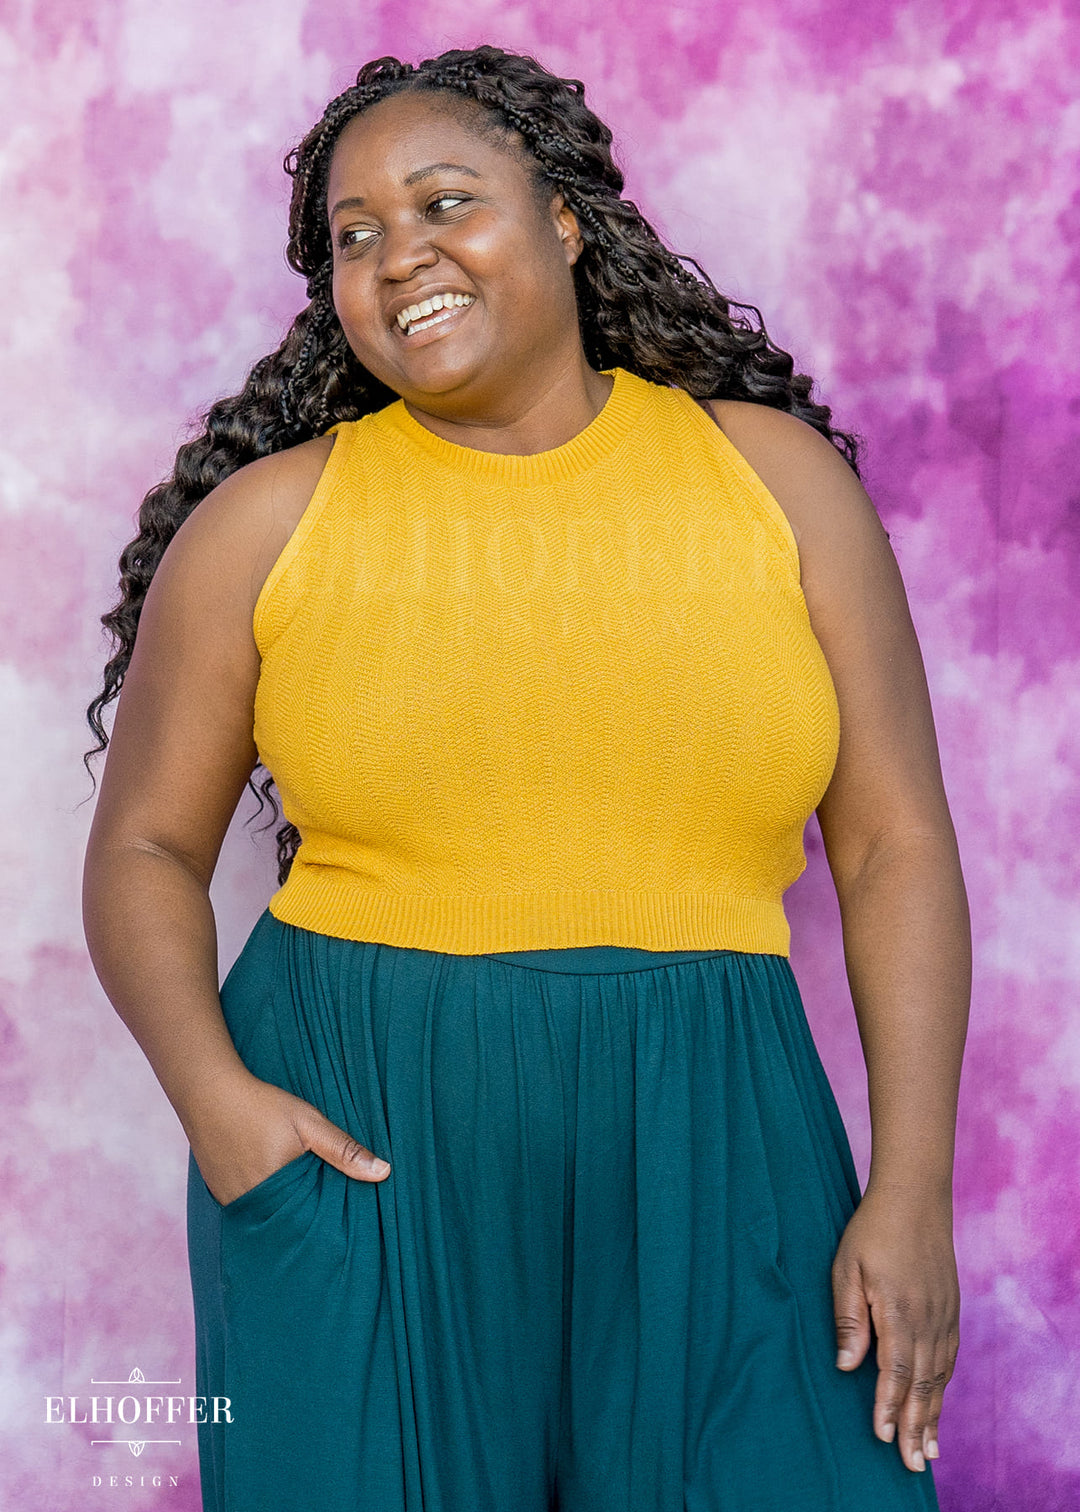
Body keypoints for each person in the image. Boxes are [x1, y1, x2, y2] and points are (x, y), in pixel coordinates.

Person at [82, 43, 970, 1512]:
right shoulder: (264, 527)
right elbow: (144, 854)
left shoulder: (775, 481)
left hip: (720, 1123)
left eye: (445, 203)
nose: (398, 256)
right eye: (353, 236)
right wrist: (219, 1106)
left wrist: (913, 1185)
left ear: (564, 218)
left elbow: (895, 847)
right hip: (361, 1137)